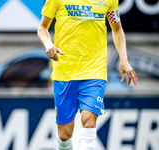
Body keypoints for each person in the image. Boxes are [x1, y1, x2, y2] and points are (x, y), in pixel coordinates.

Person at [37, 0, 138, 149]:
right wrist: (48, 44)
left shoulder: (109, 1)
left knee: (89, 122)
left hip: (95, 71)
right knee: (65, 135)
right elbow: (42, 28)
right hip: (65, 72)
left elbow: (117, 29)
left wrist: (124, 58)